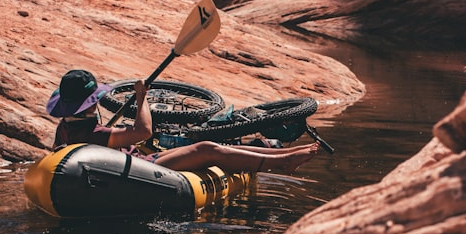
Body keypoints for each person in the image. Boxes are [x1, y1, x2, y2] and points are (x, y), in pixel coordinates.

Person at [46, 69, 320, 173]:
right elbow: (142, 132)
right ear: (92, 103)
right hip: (139, 169)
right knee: (207, 149)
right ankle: (282, 162)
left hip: (134, 162)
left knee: (208, 143)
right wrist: (142, 98)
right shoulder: (93, 132)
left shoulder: (66, 127)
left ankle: (284, 153)